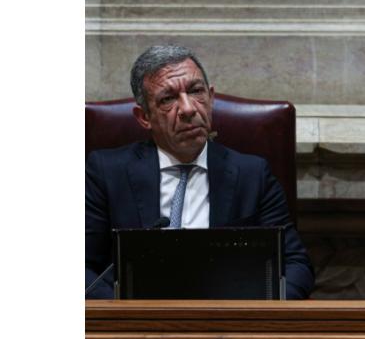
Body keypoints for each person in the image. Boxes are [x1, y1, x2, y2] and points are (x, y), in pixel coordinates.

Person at [85, 45, 314, 299]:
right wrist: (125, 317)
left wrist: (258, 318)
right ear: (144, 117)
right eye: (168, 99)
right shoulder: (106, 173)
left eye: (196, 91)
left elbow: (295, 265)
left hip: (229, 324)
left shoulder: (252, 175)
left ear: (211, 97)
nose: (188, 109)